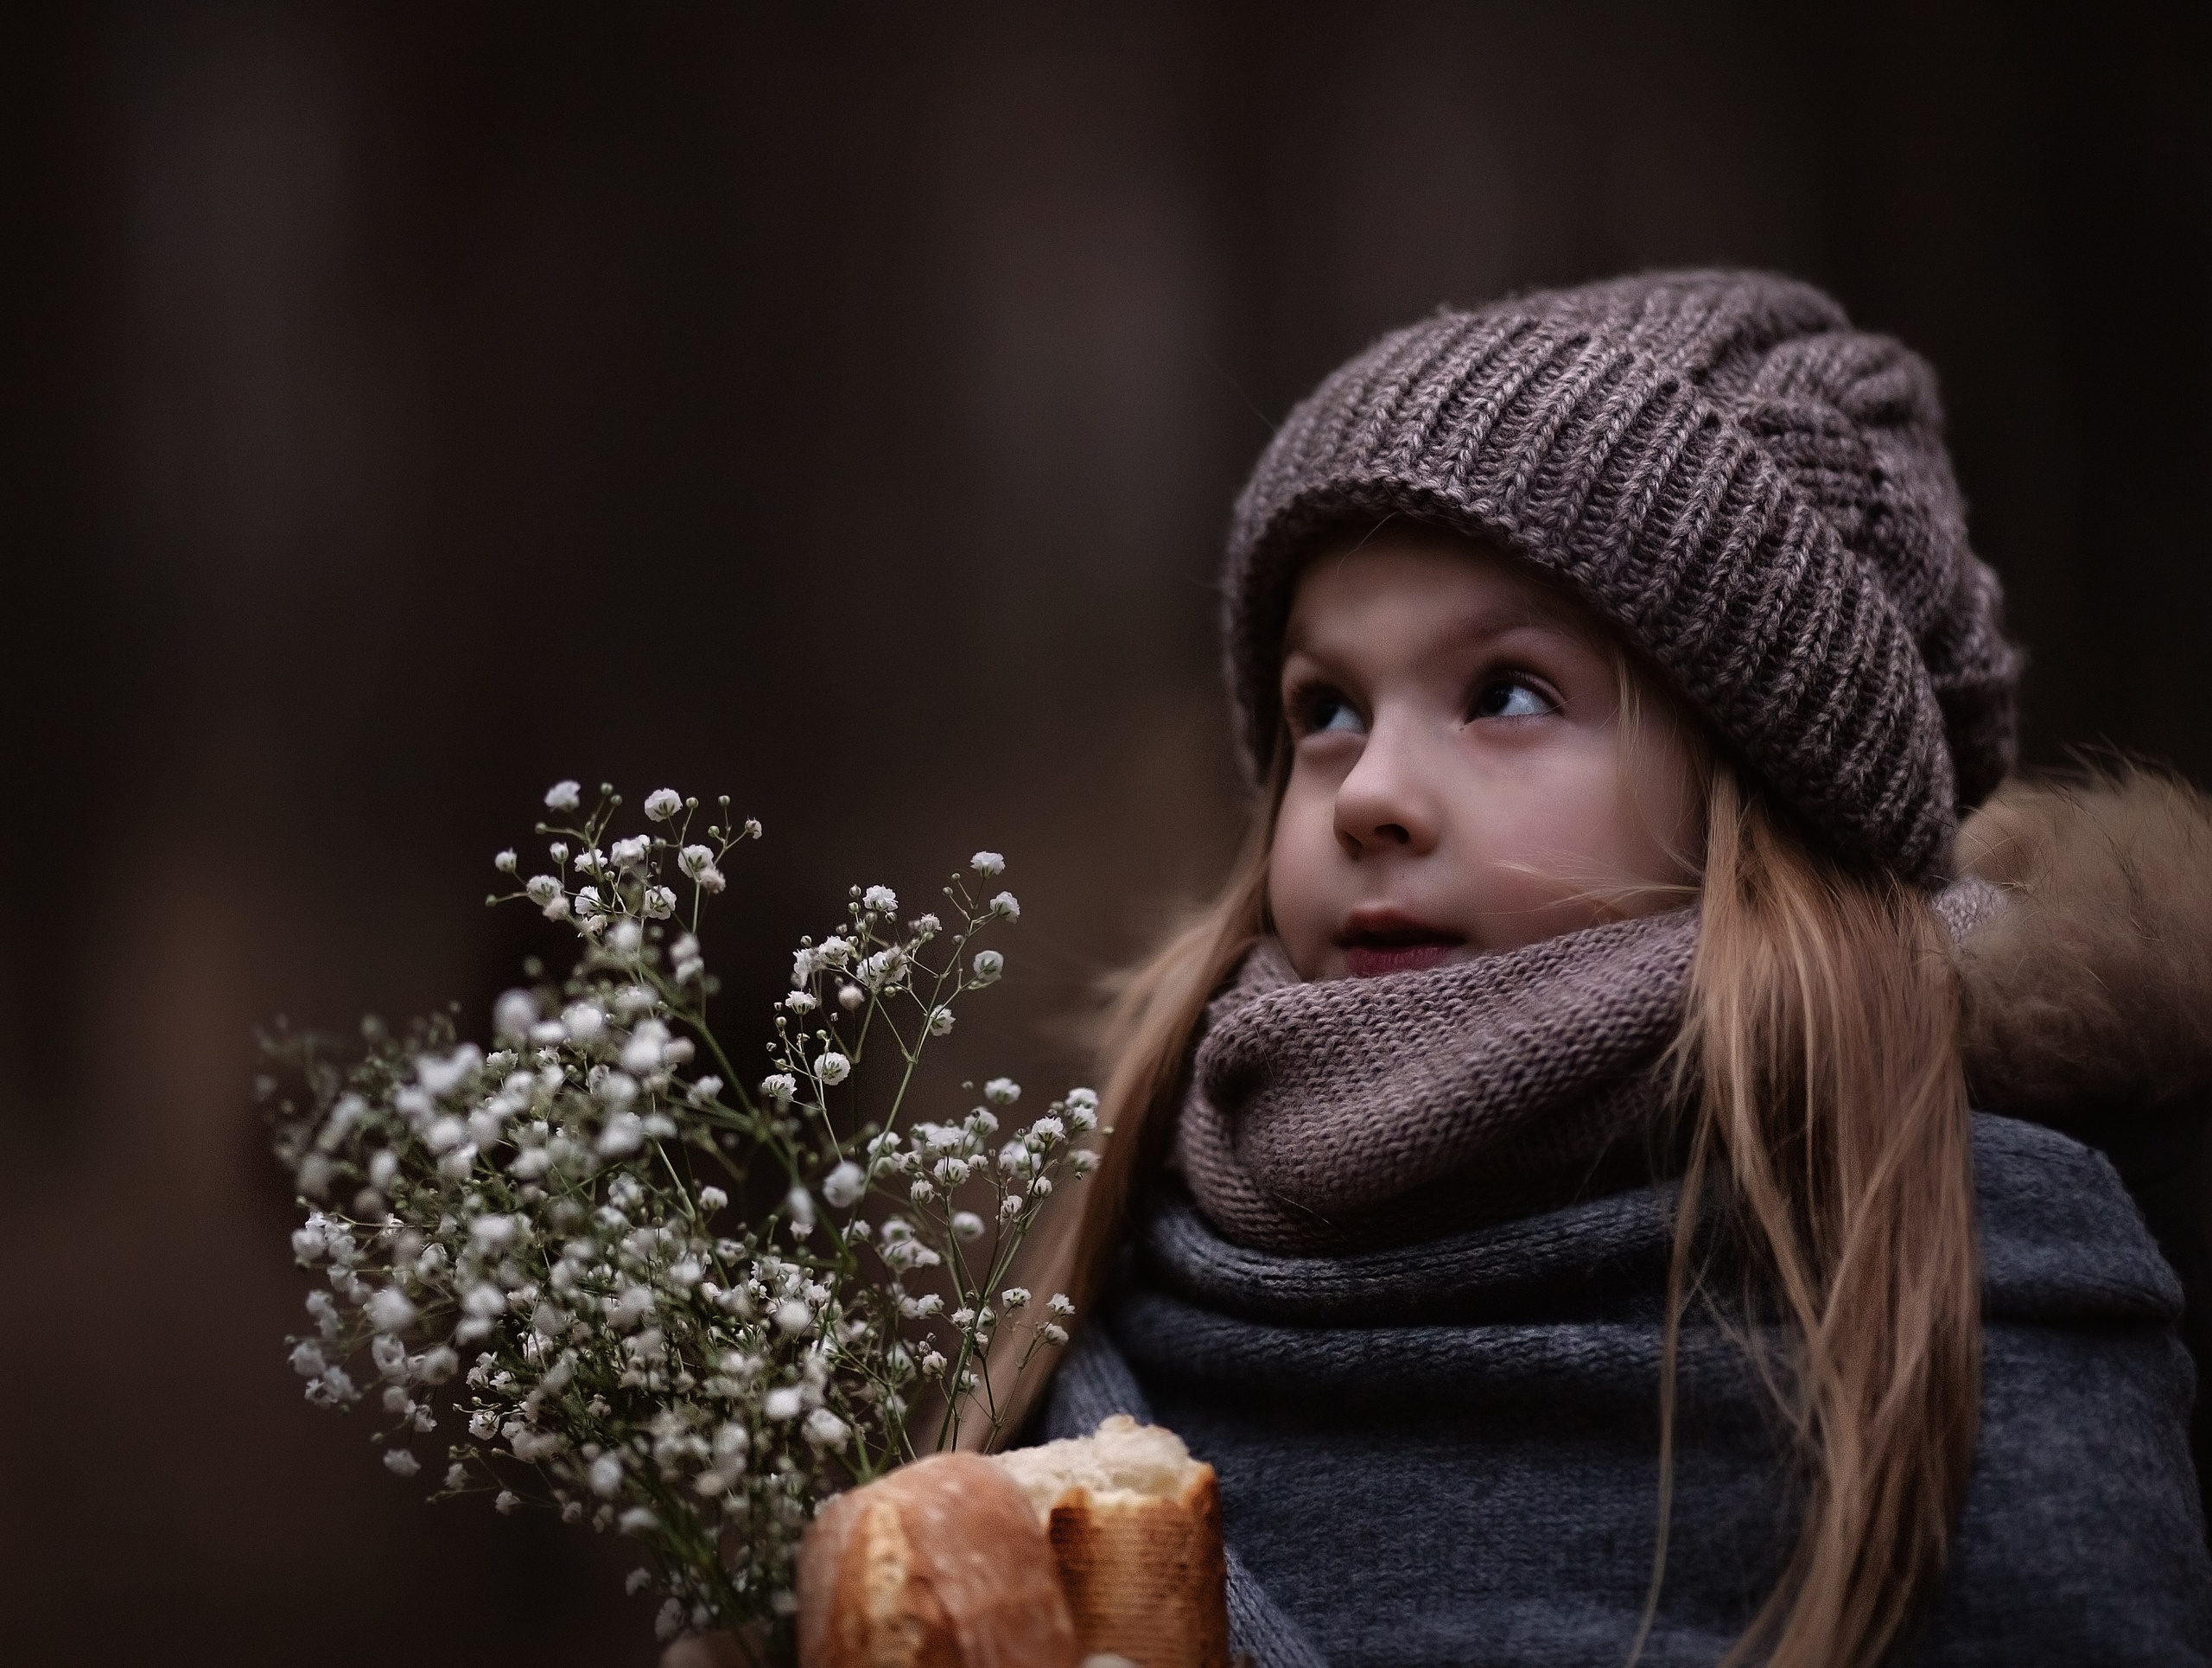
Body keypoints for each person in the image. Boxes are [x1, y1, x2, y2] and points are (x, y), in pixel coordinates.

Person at [769, 271, 2212, 1668]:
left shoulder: (1961, 1289)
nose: (1367, 792)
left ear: (1758, 791)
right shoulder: (1118, 1243)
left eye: (1505, 694)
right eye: (1325, 707)